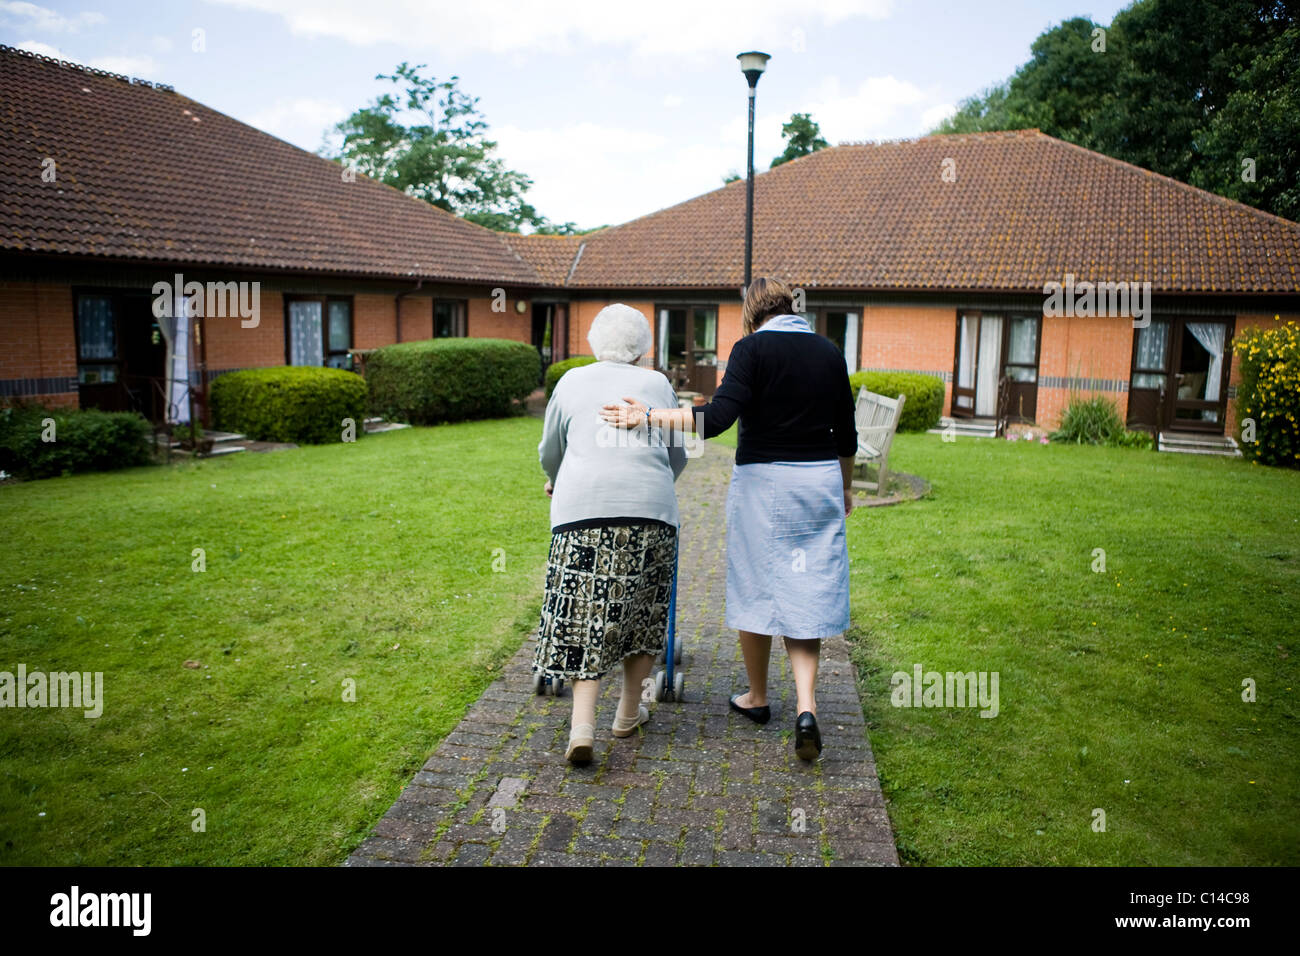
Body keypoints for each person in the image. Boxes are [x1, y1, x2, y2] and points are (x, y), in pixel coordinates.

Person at [600, 277, 856, 761]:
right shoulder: (829, 351)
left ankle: (757, 697)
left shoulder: (751, 349)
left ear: (753, 312)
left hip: (764, 483)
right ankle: (806, 707)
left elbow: (716, 420)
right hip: (819, 480)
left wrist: (650, 415)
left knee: (757, 582)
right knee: (804, 588)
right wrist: (843, 486)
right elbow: (846, 432)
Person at [535, 304, 688, 765]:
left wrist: (555, 477)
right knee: (641, 615)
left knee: (585, 616)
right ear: (644, 348)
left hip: (582, 513)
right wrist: (654, 483)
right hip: (650, 512)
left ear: (593, 342)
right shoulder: (658, 384)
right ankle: (626, 715)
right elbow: (678, 452)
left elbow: (551, 450)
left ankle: (582, 727)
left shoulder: (569, 382)